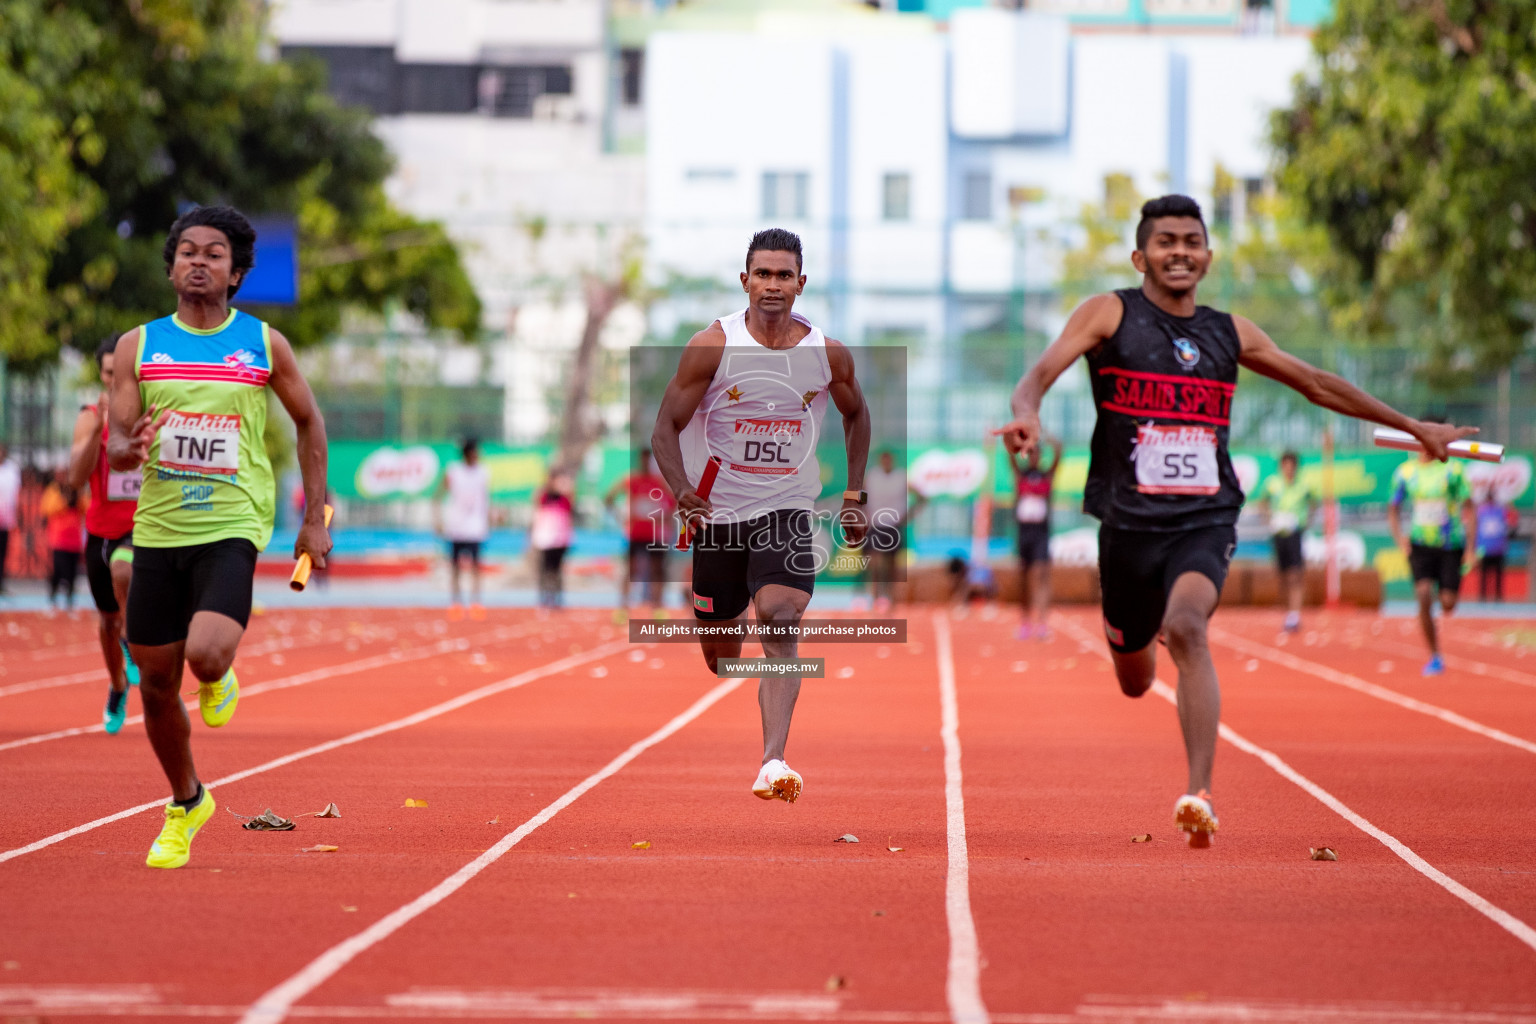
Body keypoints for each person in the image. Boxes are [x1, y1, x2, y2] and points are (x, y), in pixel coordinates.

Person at [998, 194, 1473, 848]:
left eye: (1192, 241)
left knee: (1189, 627)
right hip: (1127, 526)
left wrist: (1412, 426)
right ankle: (1140, 642)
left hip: (1205, 516)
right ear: (1141, 256)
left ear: (1207, 257)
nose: (1180, 251)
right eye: (1166, 241)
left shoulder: (1231, 332)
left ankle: (1199, 795)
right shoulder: (1110, 313)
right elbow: (1037, 376)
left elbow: (1316, 382)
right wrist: (1028, 414)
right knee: (1135, 681)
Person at [107, 204, 331, 869]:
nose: (197, 262)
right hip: (159, 527)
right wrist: (126, 448)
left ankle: (217, 675)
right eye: (187, 252)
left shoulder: (263, 344)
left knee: (205, 655)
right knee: (153, 684)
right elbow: (120, 438)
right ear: (172, 264)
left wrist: (313, 518)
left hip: (232, 523)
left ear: (235, 273)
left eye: (212, 254)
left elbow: (309, 422)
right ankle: (186, 801)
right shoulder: (137, 347)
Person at [651, 227, 871, 804]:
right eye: (762, 274)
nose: (772, 285)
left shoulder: (826, 354)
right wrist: (681, 492)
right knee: (720, 657)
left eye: (783, 275)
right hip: (719, 519)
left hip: (788, 509)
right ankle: (735, 611)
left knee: (779, 616)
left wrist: (853, 496)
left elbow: (857, 413)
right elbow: (663, 426)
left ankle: (773, 761)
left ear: (801, 283)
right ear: (744, 280)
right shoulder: (713, 345)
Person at [69, 336, 142, 733]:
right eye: (109, 374)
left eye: (122, 373)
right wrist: (98, 428)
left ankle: (134, 642)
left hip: (142, 528)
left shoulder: (148, 410)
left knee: (124, 572)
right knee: (106, 621)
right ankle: (117, 683)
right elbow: (75, 479)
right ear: (101, 374)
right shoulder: (88, 416)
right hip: (100, 530)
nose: (115, 381)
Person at [1387, 424, 1475, 676]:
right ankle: (1435, 655)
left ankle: (1443, 589)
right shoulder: (1405, 473)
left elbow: (1471, 507)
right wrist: (1400, 538)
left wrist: (1470, 547)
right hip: (1420, 544)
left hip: (1450, 544)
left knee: (1448, 603)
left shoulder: (1453, 470)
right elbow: (1392, 509)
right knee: (1423, 594)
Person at [1255, 451, 1318, 633]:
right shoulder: (1273, 484)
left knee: (1295, 573)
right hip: (1278, 532)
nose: (1289, 469)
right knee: (1282, 574)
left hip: (1295, 532)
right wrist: (1268, 519)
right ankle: (1287, 612)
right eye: (1286, 465)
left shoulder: (1304, 485)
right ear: (1282, 466)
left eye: (1292, 465)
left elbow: (1314, 503)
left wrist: (1306, 521)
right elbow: (1262, 502)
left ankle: (1295, 614)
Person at [604, 447, 674, 608]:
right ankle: (623, 606)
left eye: (648, 459)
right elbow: (609, 497)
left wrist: (664, 518)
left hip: (655, 534)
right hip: (635, 533)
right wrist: (620, 517)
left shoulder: (658, 481)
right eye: (642, 459)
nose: (645, 463)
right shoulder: (631, 479)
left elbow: (674, 502)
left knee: (657, 571)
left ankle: (657, 607)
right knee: (630, 570)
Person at [1009, 433, 1062, 640]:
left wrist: (1047, 437)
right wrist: (1016, 440)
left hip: (1041, 531)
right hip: (1024, 532)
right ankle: (1024, 622)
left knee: (1041, 576)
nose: (1034, 458)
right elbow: (1010, 459)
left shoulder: (1046, 475)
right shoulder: (1020, 476)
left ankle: (1041, 623)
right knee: (1023, 579)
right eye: (1030, 454)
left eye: (1036, 454)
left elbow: (1058, 453)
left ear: (1040, 456)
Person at [436, 438, 490, 619]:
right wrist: (437, 520)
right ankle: (456, 603)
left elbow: (485, 497)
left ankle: (475, 603)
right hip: (456, 526)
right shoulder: (453, 471)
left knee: (475, 567)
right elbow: (438, 495)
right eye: (476, 452)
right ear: (468, 453)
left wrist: (490, 517)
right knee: (455, 567)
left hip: (475, 527)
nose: (478, 455)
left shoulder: (483, 472)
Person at [864, 448, 921, 613]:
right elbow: (860, 494)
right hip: (875, 524)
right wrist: (863, 513)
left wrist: (909, 515)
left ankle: (892, 600)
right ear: (880, 460)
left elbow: (921, 496)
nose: (886, 462)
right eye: (884, 459)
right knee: (874, 565)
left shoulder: (901, 477)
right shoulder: (872, 477)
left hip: (893, 525)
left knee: (892, 566)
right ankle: (875, 599)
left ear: (892, 461)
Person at [40, 473, 85, 612]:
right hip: (58, 539)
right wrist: (65, 500)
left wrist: (77, 496)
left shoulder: (76, 490)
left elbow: (86, 507)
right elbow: (48, 509)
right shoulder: (53, 491)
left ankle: (70, 601)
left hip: (74, 540)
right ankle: (52, 599)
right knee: (59, 570)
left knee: (72, 572)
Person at [531, 472, 575, 609]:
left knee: (557, 571)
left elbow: (571, 505)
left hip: (560, 540)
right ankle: (544, 597)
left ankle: (557, 598)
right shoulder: (544, 497)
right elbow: (536, 501)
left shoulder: (564, 499)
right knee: (544, 570)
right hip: (545, 540)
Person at [1476, 496, 1514, 602]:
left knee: (1498, 575)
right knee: (1484, 575)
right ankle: (1483, 596)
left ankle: (1497, 595)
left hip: (1497, 548)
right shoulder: (1482, 511)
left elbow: (1512, 522)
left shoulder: (1500, 511)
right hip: (1486, 549)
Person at [0, 442, 18, 595]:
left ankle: (1, 583)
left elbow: (15, 494)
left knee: (2, 553)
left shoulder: (12, 469)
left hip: (5, 520)